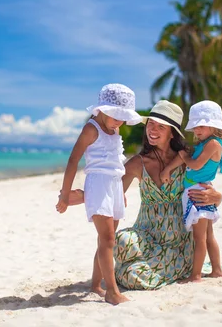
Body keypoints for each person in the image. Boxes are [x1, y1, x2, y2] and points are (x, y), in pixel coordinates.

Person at [66, 100, 222, 289]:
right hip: (146, 234)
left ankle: (147, 267)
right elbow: (109, 191)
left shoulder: (186, 159)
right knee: (119, 241)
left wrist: (218, 197)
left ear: (172, 132)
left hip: (179, 241)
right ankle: (130, 269)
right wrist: (78, 196)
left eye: (160, 127)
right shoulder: (137, 163)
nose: (152, 129)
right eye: (150, 124)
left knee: (130, 277)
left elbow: (204, 186)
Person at [55, 83, 141, 305]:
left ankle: (95, 284)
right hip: (98, 184)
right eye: (115, 116)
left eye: (123, 118)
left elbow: (115, 162)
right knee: (108, 238)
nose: (119, 121)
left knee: (106, 240)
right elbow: (73, 160)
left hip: (114, 185)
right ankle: (112, 292)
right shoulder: (91, 129)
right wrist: (64, 194)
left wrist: (120, 191)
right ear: (101, 109)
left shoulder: (115, 129)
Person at [160, 100, 222, 283]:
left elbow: (195, 165)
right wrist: (167, 169)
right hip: (198, 189)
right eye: (195, 127)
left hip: (198, 192)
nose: (197, 130)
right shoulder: (204, 143)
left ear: (213, 126)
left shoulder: (214, 144)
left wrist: (183, 156)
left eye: (202, 126)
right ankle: (216, 270)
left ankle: (196, 275)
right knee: (207, 235)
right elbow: (186, 160)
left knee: (200, 237)